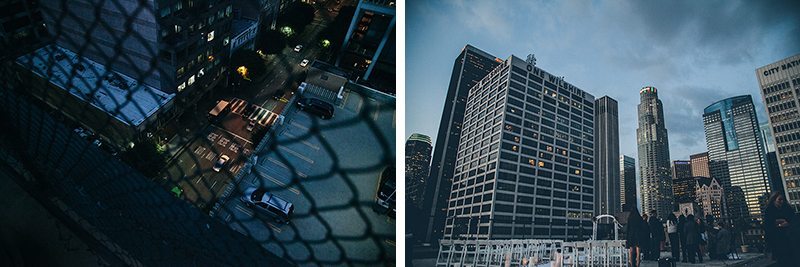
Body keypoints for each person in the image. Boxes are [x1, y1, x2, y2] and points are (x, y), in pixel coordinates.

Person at [764, 191, 799, 266]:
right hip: (777, 241)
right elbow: (767, 226)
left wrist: (788, 224)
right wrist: (775, 223)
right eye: (779, 199)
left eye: (782, 199)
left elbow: (794, 221)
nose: (781, 201)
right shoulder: (769, 211)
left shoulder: (787, 208)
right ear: (774, 200)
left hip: (789, 239)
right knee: (782, 261)